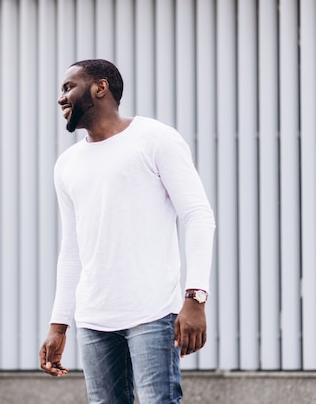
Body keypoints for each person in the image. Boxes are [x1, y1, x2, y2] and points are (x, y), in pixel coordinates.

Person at [38, 59, 216, 404]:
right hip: (93, 318)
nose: (61, 98)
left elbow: (197, 215)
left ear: (99, 88)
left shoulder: (154, 138)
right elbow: (72, 247)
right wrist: (59, 324)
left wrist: (195, 298)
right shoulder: (68, 165)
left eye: (68, 87)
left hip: (152, 311)